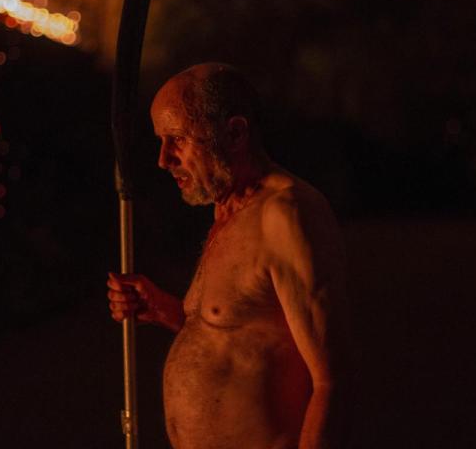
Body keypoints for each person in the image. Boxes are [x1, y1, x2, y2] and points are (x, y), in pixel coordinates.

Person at [107, 63, 348, 449]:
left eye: (178, 139)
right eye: (160, 141)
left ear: (234, 133)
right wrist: (167, 310)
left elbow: (333, 381)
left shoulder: (285, 214)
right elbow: (244, 335)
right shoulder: (227, 212)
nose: (163, 159)